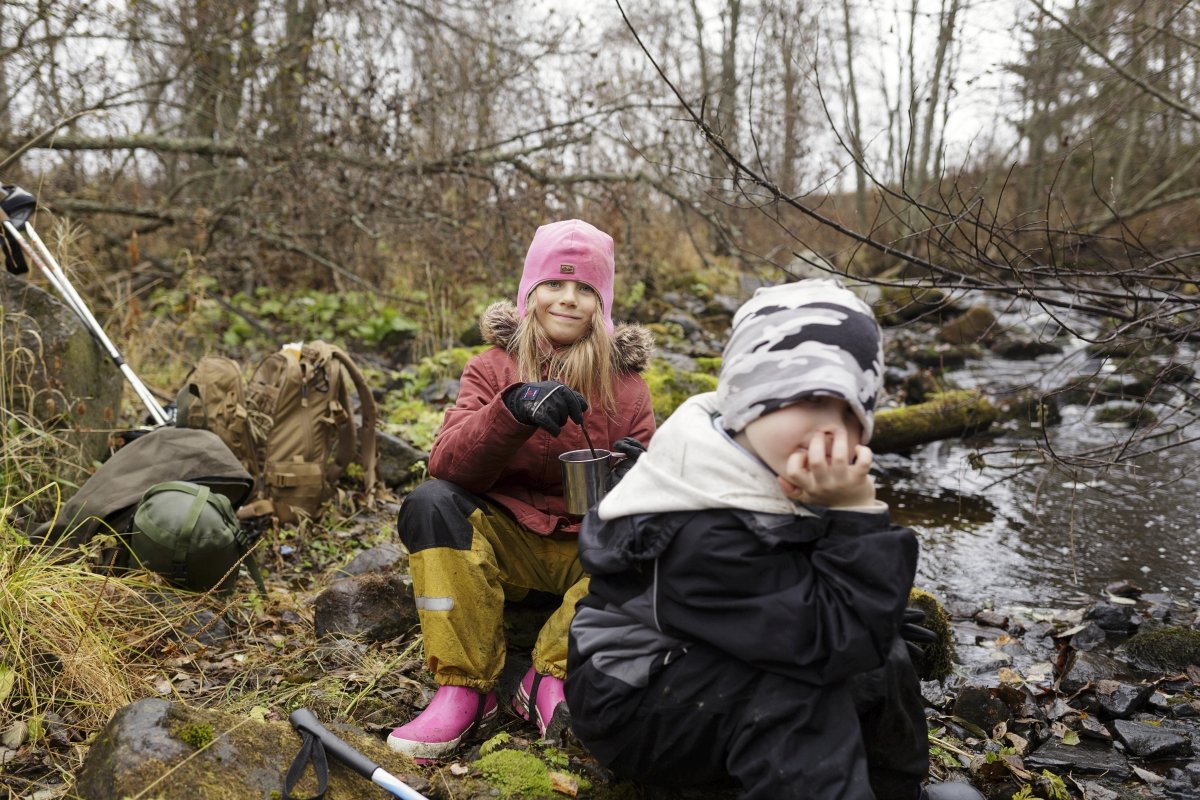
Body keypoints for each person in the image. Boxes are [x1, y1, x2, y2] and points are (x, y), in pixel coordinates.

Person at [565, 279, 983, 800]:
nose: (830, 432)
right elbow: (824, 642)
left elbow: (815, 589)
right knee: (799, 691)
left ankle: (896, 791)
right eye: (808, 400)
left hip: (716, 653)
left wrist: (875, 609)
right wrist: (855, 513)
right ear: (747, 401)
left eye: (851, 413)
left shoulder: (765, 460)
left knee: (885, 654)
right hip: (636, 703)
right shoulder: (698, 525)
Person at [388, 219, 656, 761]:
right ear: (530, 292)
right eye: (554, 284)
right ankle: (466, 689)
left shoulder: (627, 387)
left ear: (602, 304)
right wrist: (512, 409)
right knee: (431, 503)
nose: (568, 298)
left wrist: (644, 474)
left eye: (585, 288)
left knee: (664, 533)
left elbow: (658, 496)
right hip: (506, 541)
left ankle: (548, 674)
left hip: (587, 552)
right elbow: (446, 463)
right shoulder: (491, 367)